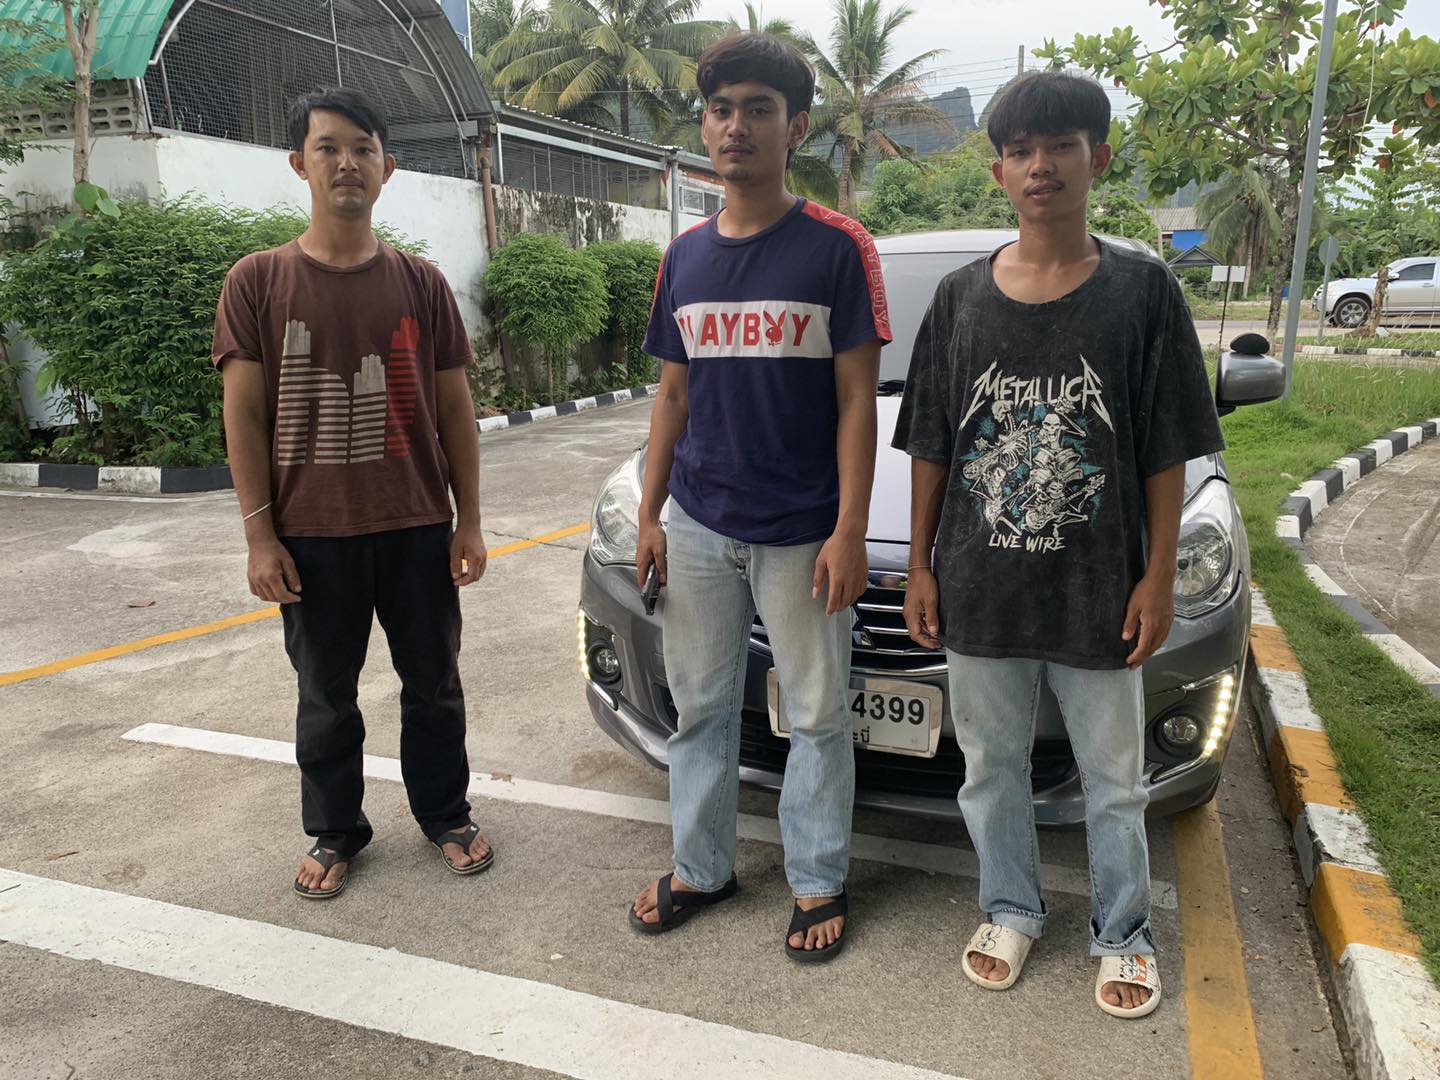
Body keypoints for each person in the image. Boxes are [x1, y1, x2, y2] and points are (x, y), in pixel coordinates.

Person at [892, 72, 1223, 1016]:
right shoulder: (960, 298)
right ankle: (1010, 907)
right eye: (1021, 150)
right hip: (980, 587)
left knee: (1114, 781)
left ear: (1098, 158)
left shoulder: (1143, 292)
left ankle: (1124, 932)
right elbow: (932, 444)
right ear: (999, 171)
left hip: (1097, 588)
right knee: (990, 768)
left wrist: (1156, 577)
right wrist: (919, 566)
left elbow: (1165, 447)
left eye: (1061, 145)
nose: (1041, 165)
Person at [626, 32, 891, 961]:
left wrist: (850, 529)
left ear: (797, 127)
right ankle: (701, 867)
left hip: (802, 529)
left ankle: (817, 878)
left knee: (816, 713)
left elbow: (857, 401)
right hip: (700, 524)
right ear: (706, 126)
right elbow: (672, 397)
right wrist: (651, 514)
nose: (736, 126)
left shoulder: (838, 249)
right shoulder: (684, 257)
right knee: (700, 708)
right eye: (721, 109)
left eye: (759, 110)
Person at [213, 87, 493, 900]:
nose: (347, 163)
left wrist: (469, 521)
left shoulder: (421, 283)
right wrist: (260, 536)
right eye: (328, 147)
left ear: (387, 168)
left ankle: (445, 814)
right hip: (311, 534)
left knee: (434, 686)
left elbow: (455, 412)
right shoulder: (257, 282)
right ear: (299, 164)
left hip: (417, 525)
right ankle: (336, 830)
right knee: (325, 698)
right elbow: (244, 416)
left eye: (363, 149)